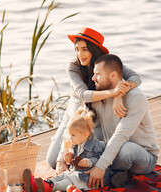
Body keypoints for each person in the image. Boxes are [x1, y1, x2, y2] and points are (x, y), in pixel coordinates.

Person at [46, 27, 142, 171]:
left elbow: (136, 78)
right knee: (53, 161)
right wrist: (114, 93)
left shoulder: (106, 64)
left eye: (84, 49)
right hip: (76, 113)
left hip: (98, 115)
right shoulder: (73, 67)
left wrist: (120, 94)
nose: (80, 54)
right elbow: (83, 94)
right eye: (77, 49)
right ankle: (58, 141)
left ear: (94, 50)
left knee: (95, 155)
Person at [85, 54, 159, 189]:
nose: (93, 78)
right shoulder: (100, 94)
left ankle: (108, 171)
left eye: (97, 74)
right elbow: (96, 131)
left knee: (126, 151)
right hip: (113, 149)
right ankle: (115, 173)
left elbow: (121, 135)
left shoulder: (136, 97)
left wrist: (100, 165)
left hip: (143, 155)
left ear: (113, 76)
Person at [23, 108, 109, 192]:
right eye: (69, 134)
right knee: (64, 175)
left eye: (73, 135)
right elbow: (74, 162)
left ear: (85, 135)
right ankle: (40, 185)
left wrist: (89, 162)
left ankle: (51, 187)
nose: (70, 137)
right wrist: (69, 160)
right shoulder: (76, 144)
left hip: (88, 176)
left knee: (71, 179)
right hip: (76, 171)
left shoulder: (96, 145)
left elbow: (101, 158)